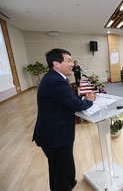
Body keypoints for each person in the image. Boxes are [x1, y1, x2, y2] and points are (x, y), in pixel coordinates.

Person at [32, 48, 96, 191]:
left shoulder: (55, 78)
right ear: (56, 64)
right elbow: (76, 105)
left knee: (57, 169)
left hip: (52, 134)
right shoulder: (55, 81)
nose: (72, 64)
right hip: (55, 136)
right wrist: (89, 100)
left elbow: (67, 99)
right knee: (62, 170)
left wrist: (82, 99)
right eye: (68, 60)